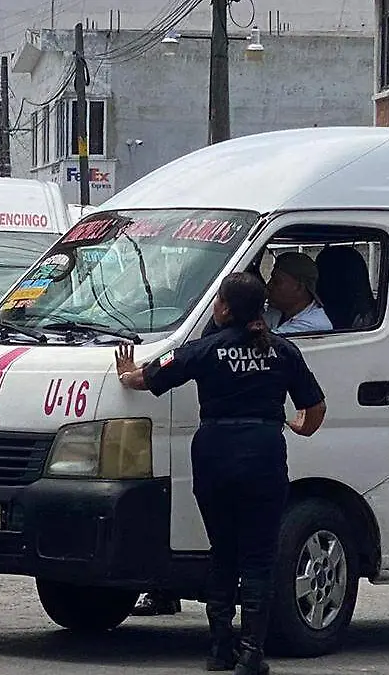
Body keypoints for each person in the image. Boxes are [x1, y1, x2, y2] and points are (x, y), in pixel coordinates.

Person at [114, 272, 327, 674]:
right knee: (260, 557)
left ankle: (218, 649)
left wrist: (126, 373)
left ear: (225, 308)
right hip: (263, 455)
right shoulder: (284, 351)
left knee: (223, 552)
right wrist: (297, 426)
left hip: (215, 455)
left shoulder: (205, 349)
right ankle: (252, 654)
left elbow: (148, 377)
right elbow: (314, 409)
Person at [264, 252, 333, 334]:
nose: (269, 286)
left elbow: (265, 341)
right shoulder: (278, 310)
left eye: (276, 282)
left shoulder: (314, 324)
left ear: (299, 287)